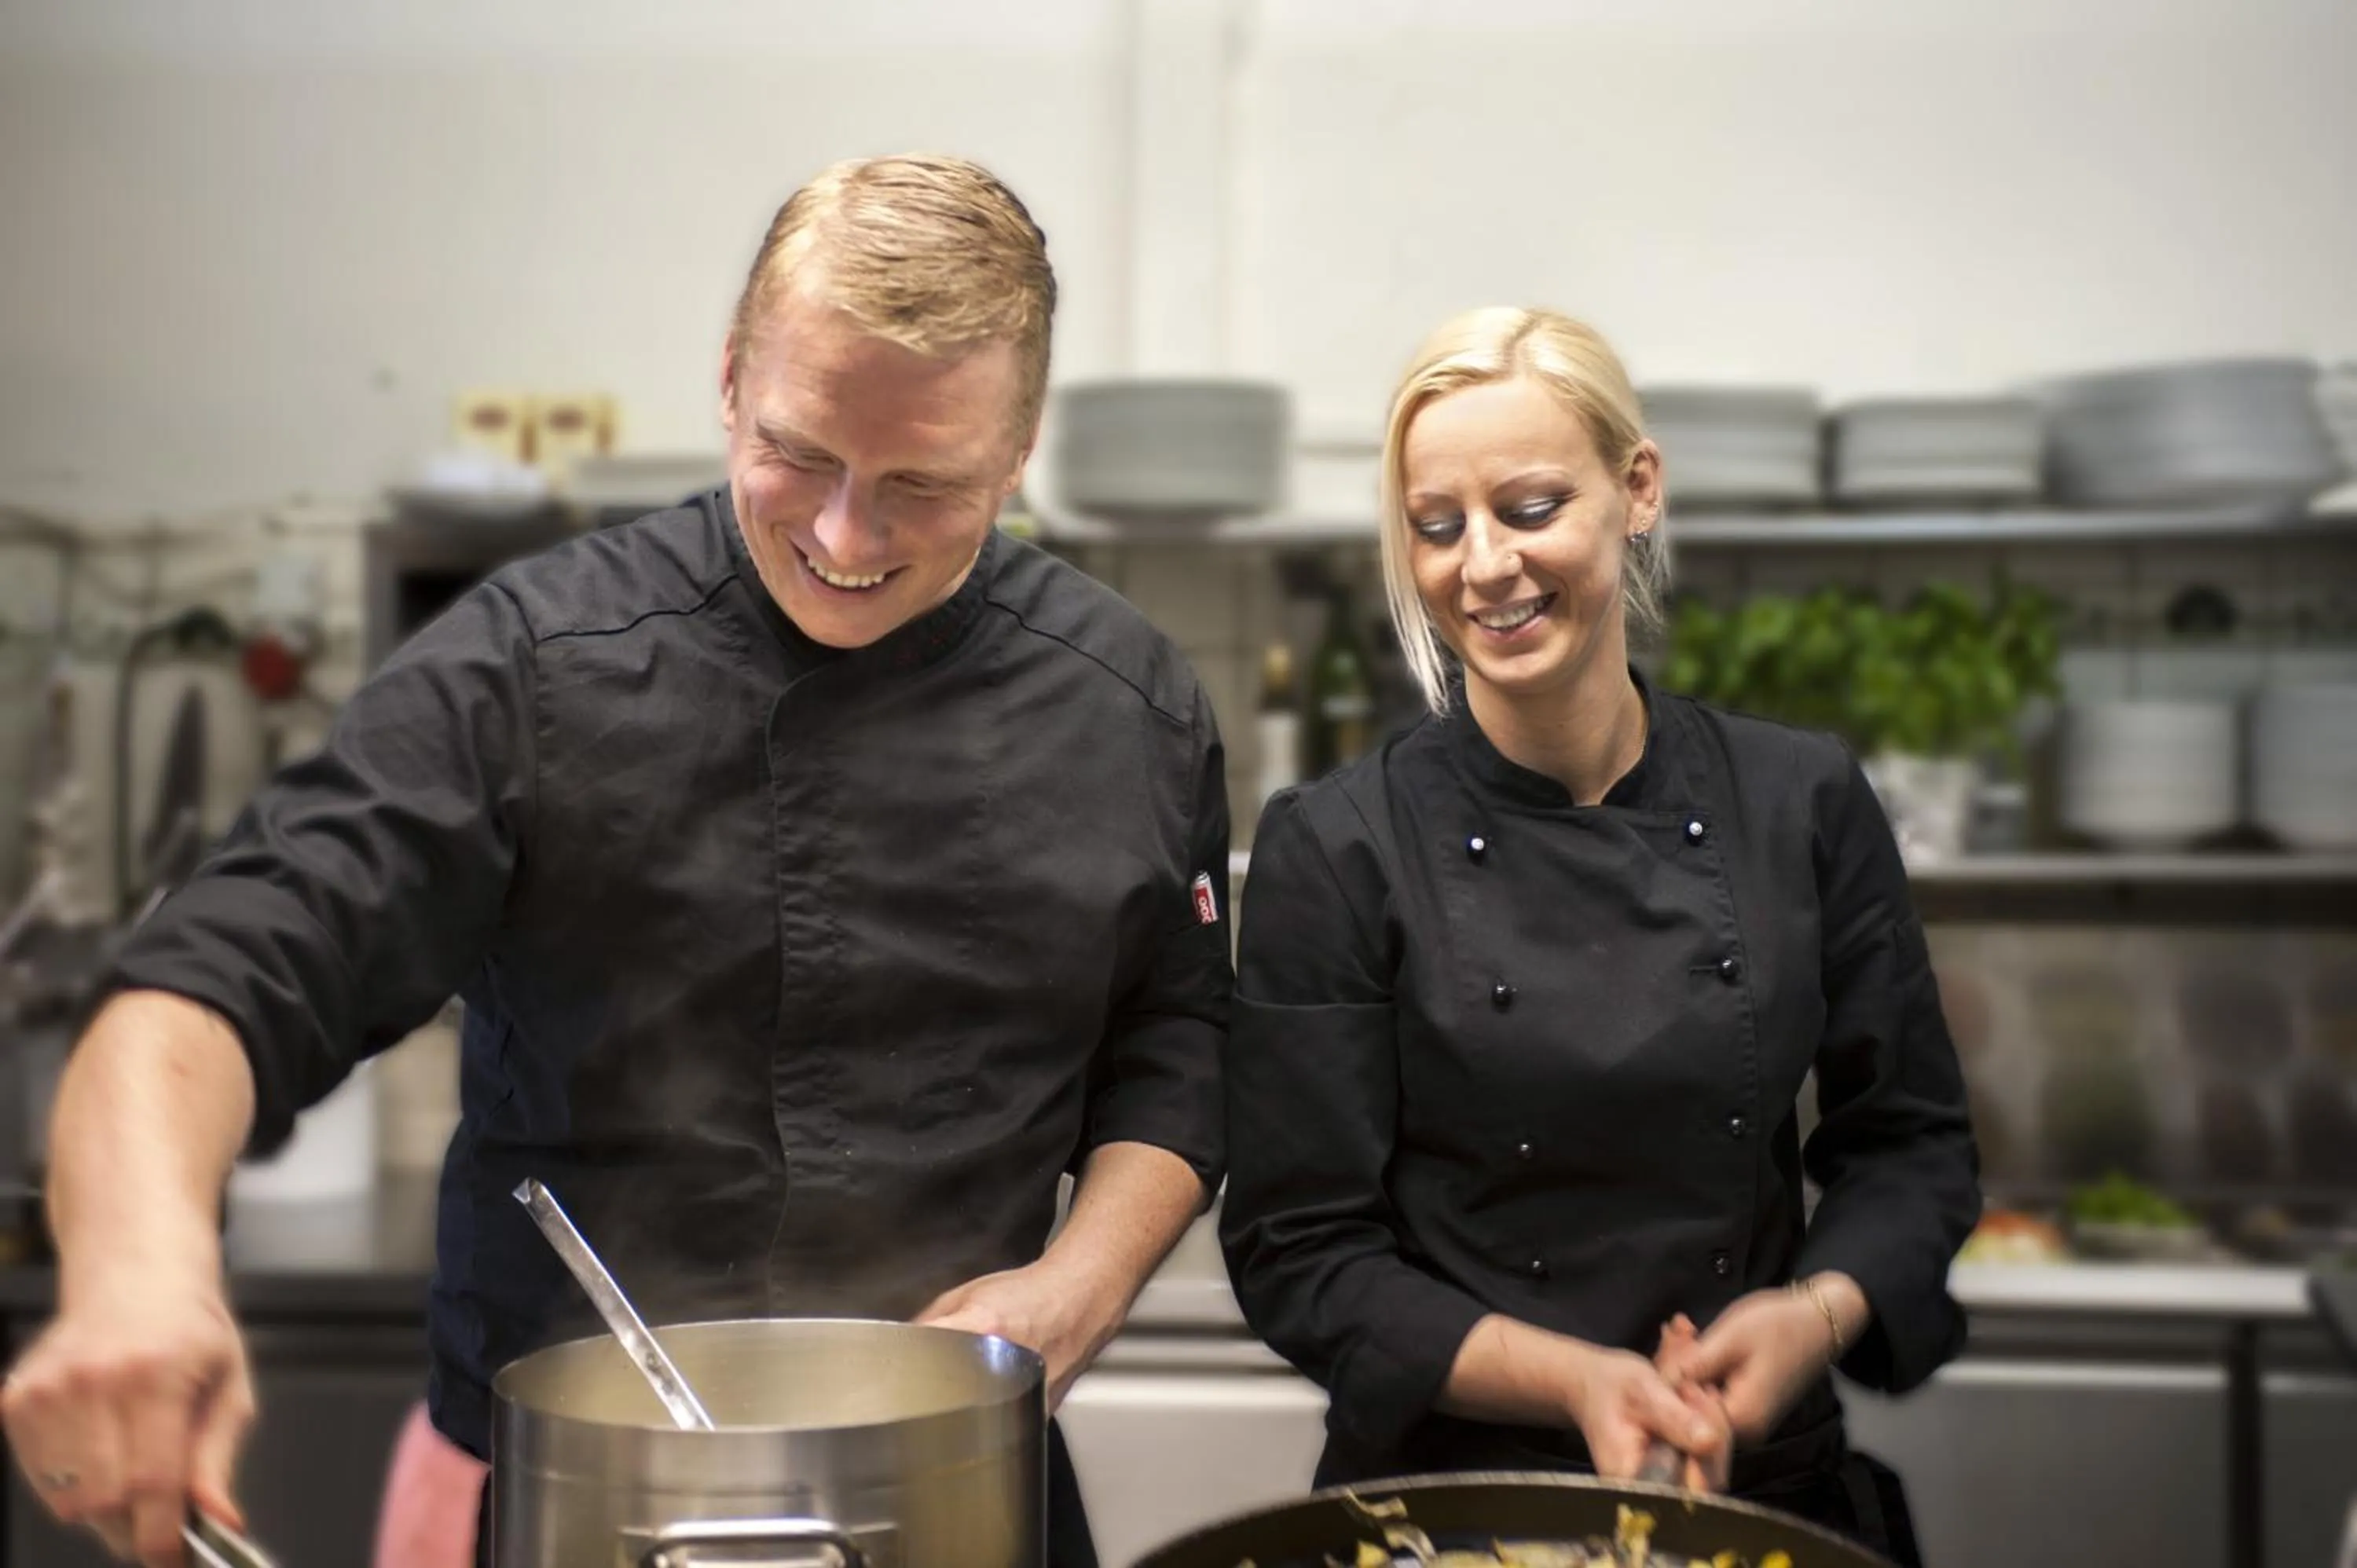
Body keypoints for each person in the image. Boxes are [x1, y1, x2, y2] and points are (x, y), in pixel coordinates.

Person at [2, 154, 1232, 1568]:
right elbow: (230, 963)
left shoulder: (1127, 704)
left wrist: (1083, 1282)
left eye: (925, 484)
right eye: (801, 453)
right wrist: (137, 1269)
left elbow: (1174, 1041)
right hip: (557, 1499)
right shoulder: (536, 664)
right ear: (727, 380)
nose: (844, 535)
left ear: (1020, 452)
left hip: (956, 1492)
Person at [1219, 306, 1978, 1563]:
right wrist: (1580, 1381)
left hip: (1752, 1489)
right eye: (1436, 525)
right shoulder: (1340, 846)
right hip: (1453, 1507)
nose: (1483, 567)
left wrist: (1812, 1316)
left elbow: (1909, 1147)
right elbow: (1301, 1249)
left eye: (1527, 509)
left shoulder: (1800, 801)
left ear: (1637, 489)